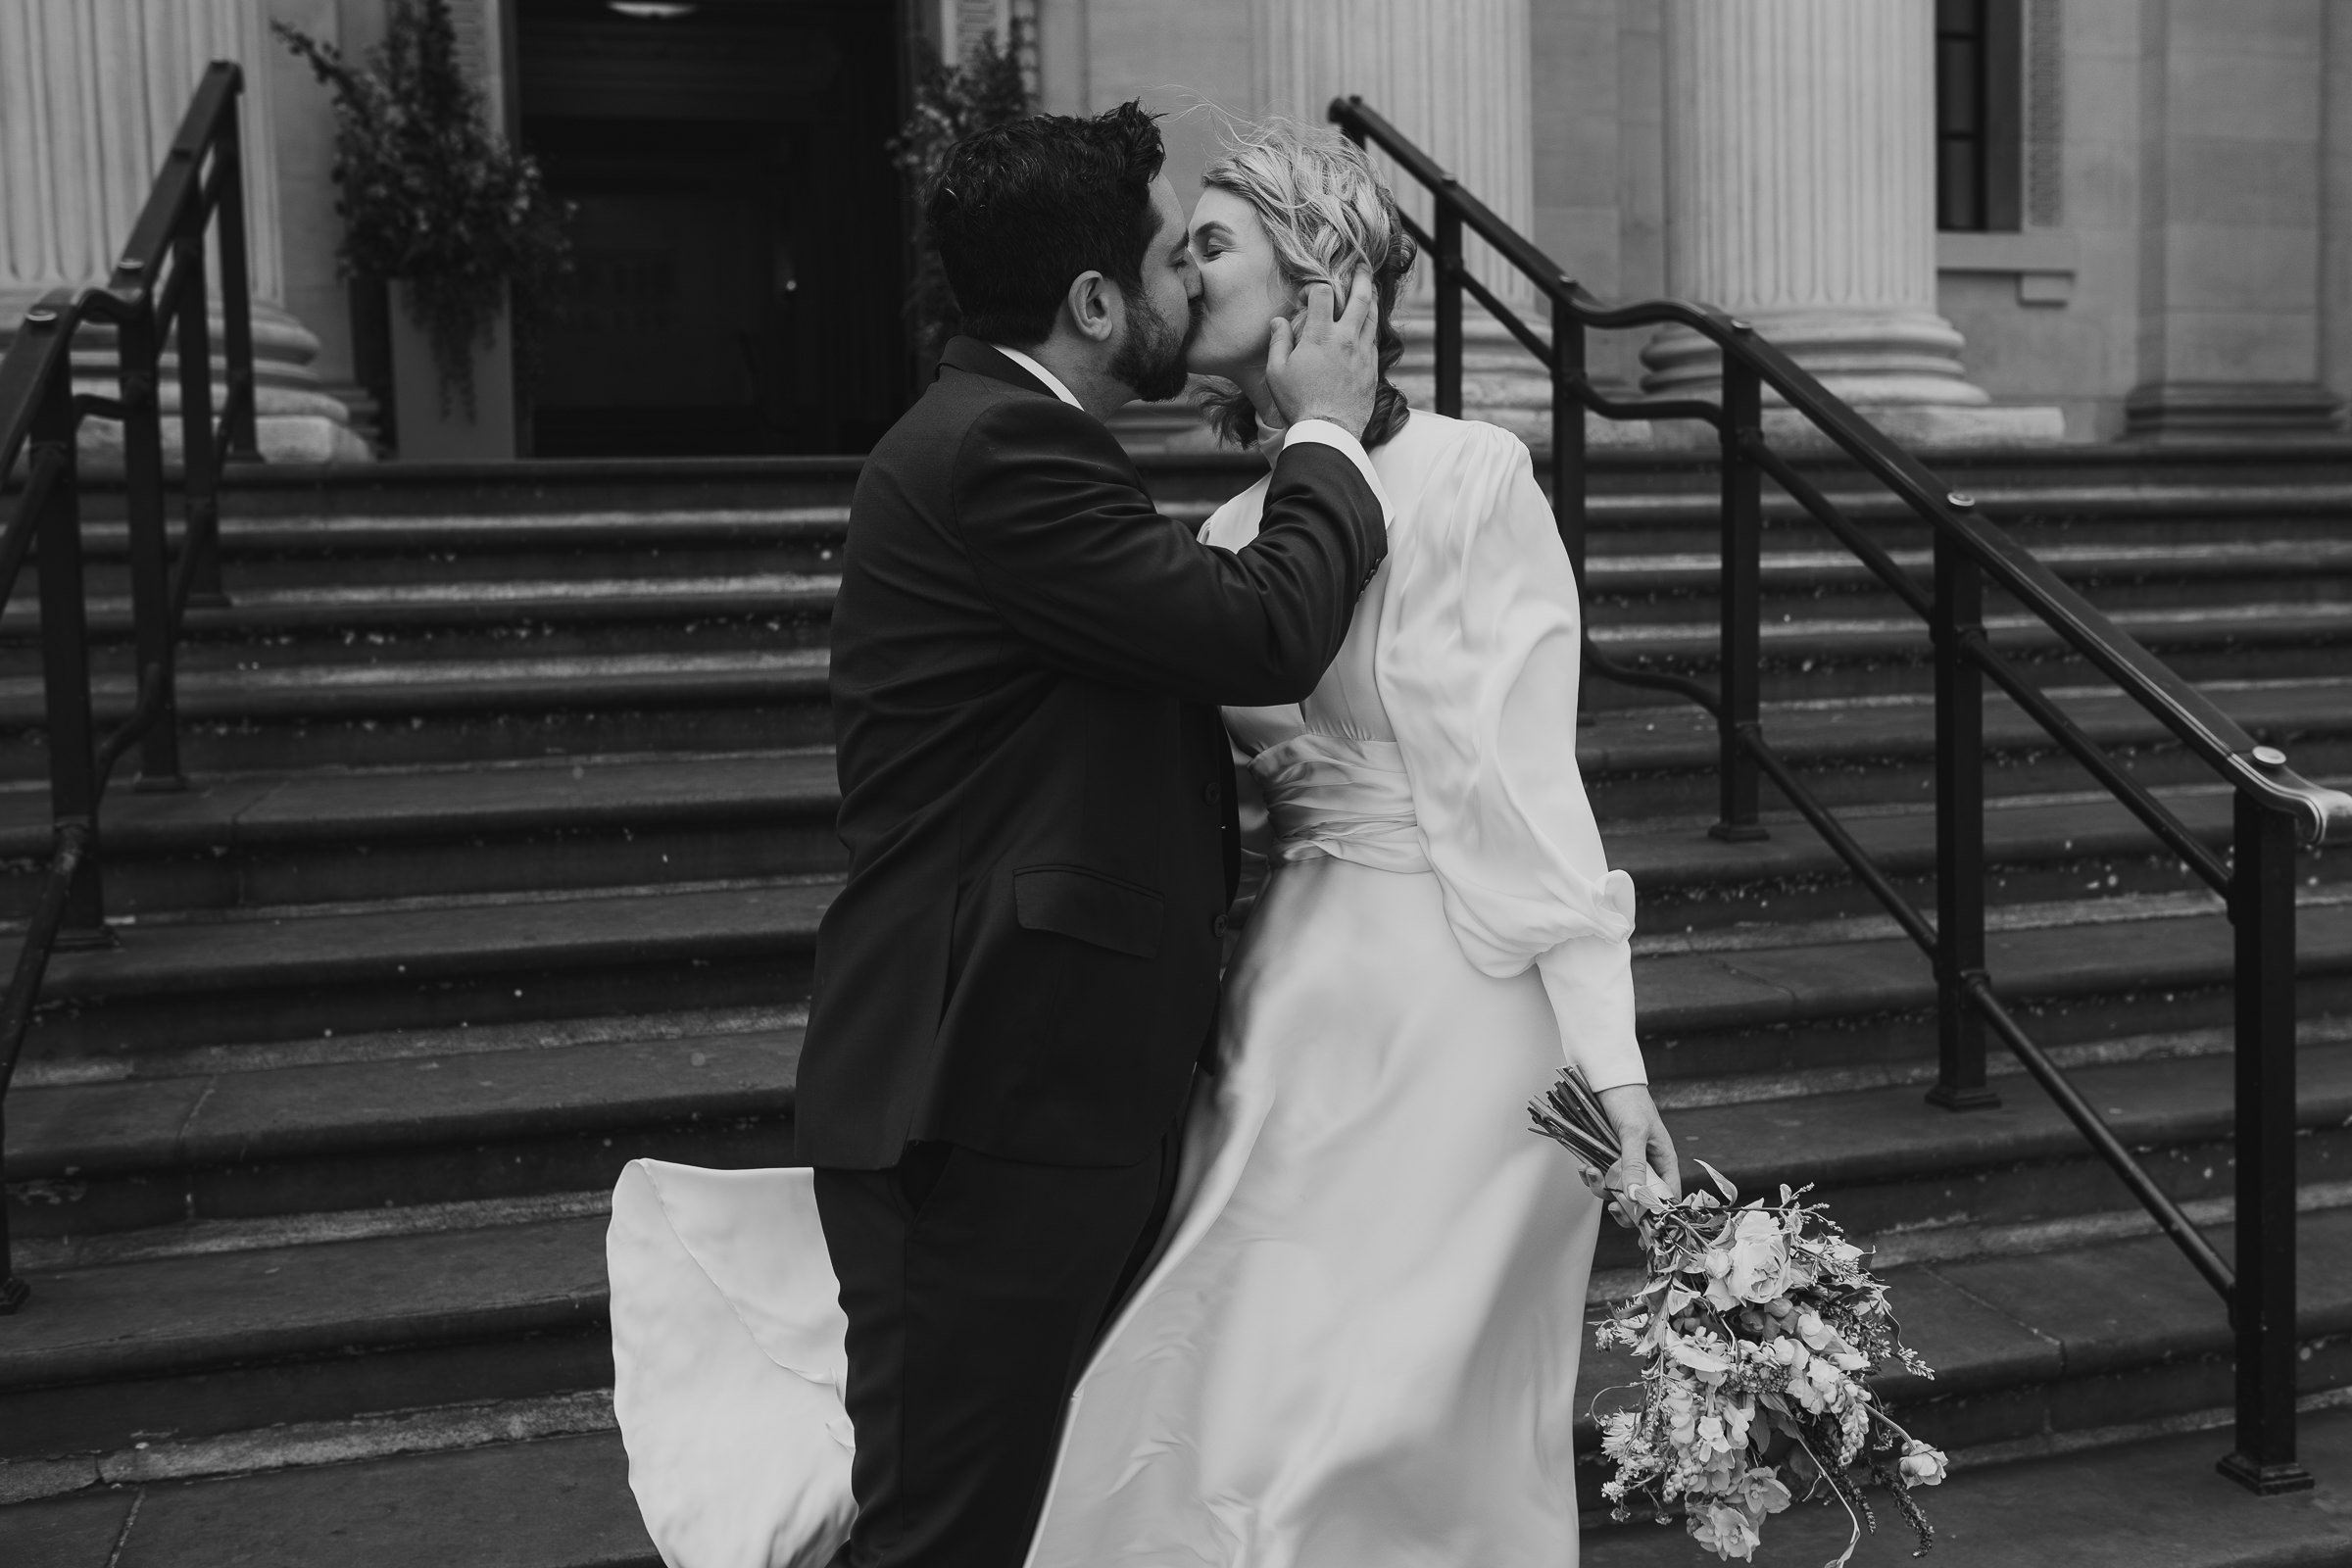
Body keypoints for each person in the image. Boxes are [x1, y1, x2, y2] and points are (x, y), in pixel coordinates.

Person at [606, 102, 1391, 1568]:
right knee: (946, 1538)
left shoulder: (1000, 436)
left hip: (1023, 1092)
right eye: (1171, 260)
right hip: (986, 1103)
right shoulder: (999, 452)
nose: (1191, 290)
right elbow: (1264, 629)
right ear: (1094, 302)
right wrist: (1333, 430)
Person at [1018, 118, 1680, 1566]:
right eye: (1177, 247)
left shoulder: (1470, 478)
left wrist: (1611, 1058)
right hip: (1280, 999)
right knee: (1234, 1390)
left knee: (1386, 1429)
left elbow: (1521, 787)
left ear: (1320, 270)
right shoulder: (1229, 534)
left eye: (1211, 244)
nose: (1179, 277)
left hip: (1453, 1010)